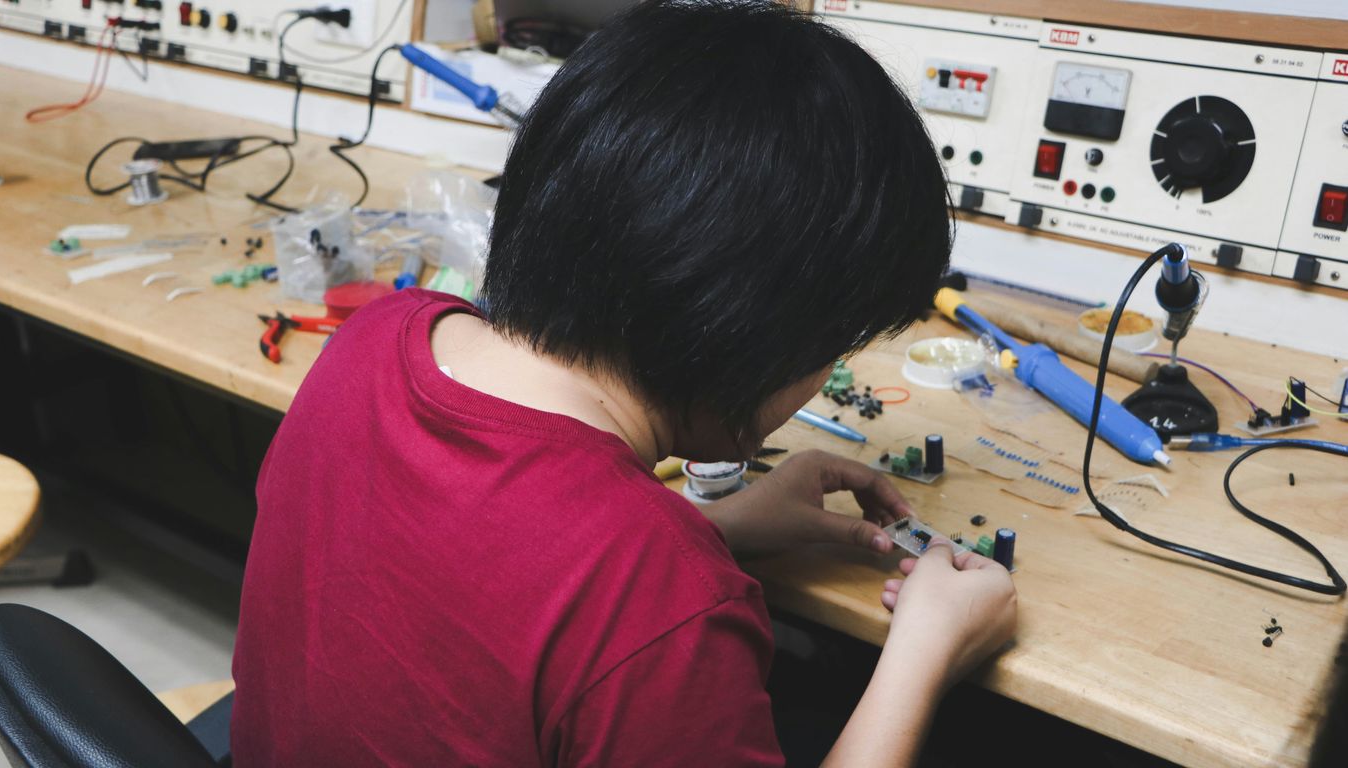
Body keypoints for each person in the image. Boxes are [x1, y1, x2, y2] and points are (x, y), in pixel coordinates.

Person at [231, 1, 1017, 765]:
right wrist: (924, 654)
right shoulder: (666, 601)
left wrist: (718, 528)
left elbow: (486, 566)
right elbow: (602, 586)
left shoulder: (376, 336)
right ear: (751, 334)